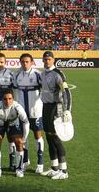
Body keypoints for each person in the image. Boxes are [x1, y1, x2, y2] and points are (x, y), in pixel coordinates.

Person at [40, 51, 72, 180]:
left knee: (56, 138)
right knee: (48, 136)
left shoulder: (58, 74)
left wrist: (67, 110)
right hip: (45, 107)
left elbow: (66, 92)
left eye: (49, 59)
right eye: (45, 59)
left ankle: (64, 171)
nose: (47, 61)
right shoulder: (42, 74)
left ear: (53, 60)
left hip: (55, 107)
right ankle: (54, 168)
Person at [0, 89, 30, 178]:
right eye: (5, 99)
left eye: (10, 99)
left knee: (19, 142)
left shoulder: (17, 107)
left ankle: (19, 168)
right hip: (0, 124)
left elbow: (26, 122)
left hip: (13, 124)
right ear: (2, 99)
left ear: (13, 99)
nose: (8, 101)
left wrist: (24, 138)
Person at [13, 53, 45, 174]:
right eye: (23, 62)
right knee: (23, 137)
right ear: (20, 62)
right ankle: (25, 161)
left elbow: (45, 88)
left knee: (37, 136)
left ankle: (40, 163)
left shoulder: (37, 74)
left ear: (32, 62)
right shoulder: (17, 75)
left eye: (27, 62)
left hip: (35, 112)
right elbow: (13, 90)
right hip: (22, 112)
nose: (25, 64)